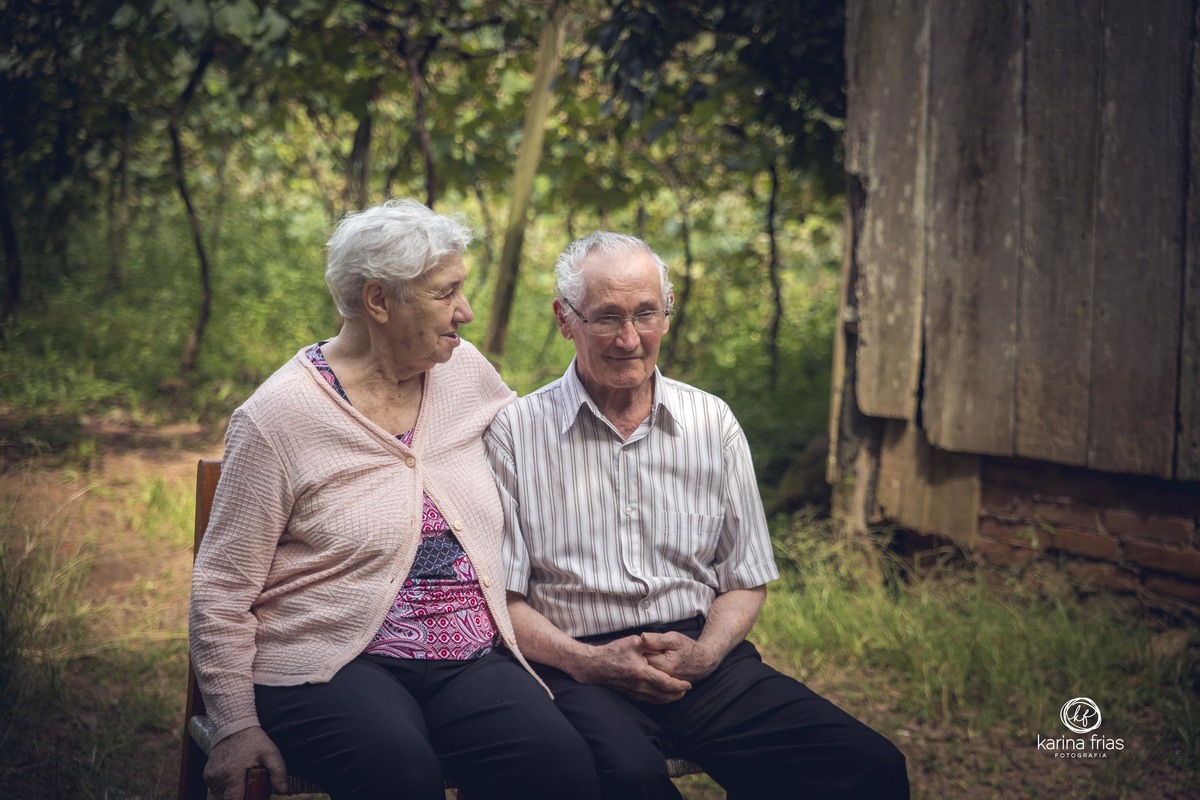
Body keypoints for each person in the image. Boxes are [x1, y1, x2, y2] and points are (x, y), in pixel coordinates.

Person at [189, 199, 600, 800]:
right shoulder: (278, 418)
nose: (465, 312)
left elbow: (537, 443)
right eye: (445, 293)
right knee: (401, 775)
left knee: (560, 768)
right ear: (379, 301)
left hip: (468, 652)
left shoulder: (464, 372)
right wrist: (233, 723)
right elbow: (221, 586)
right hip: (327, 661)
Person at [484, 231, 910, 799]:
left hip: (701, 659)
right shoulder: (516, 432)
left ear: (667, 313)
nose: (630, 339)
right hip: (575, 667)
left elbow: (744, 579)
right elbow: (502, 602)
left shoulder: (712, 423)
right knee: (630, 781)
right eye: (608, 318)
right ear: (567, 320)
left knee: (867, 765)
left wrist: (707, 653)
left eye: (646, 314)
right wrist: (590, 663)